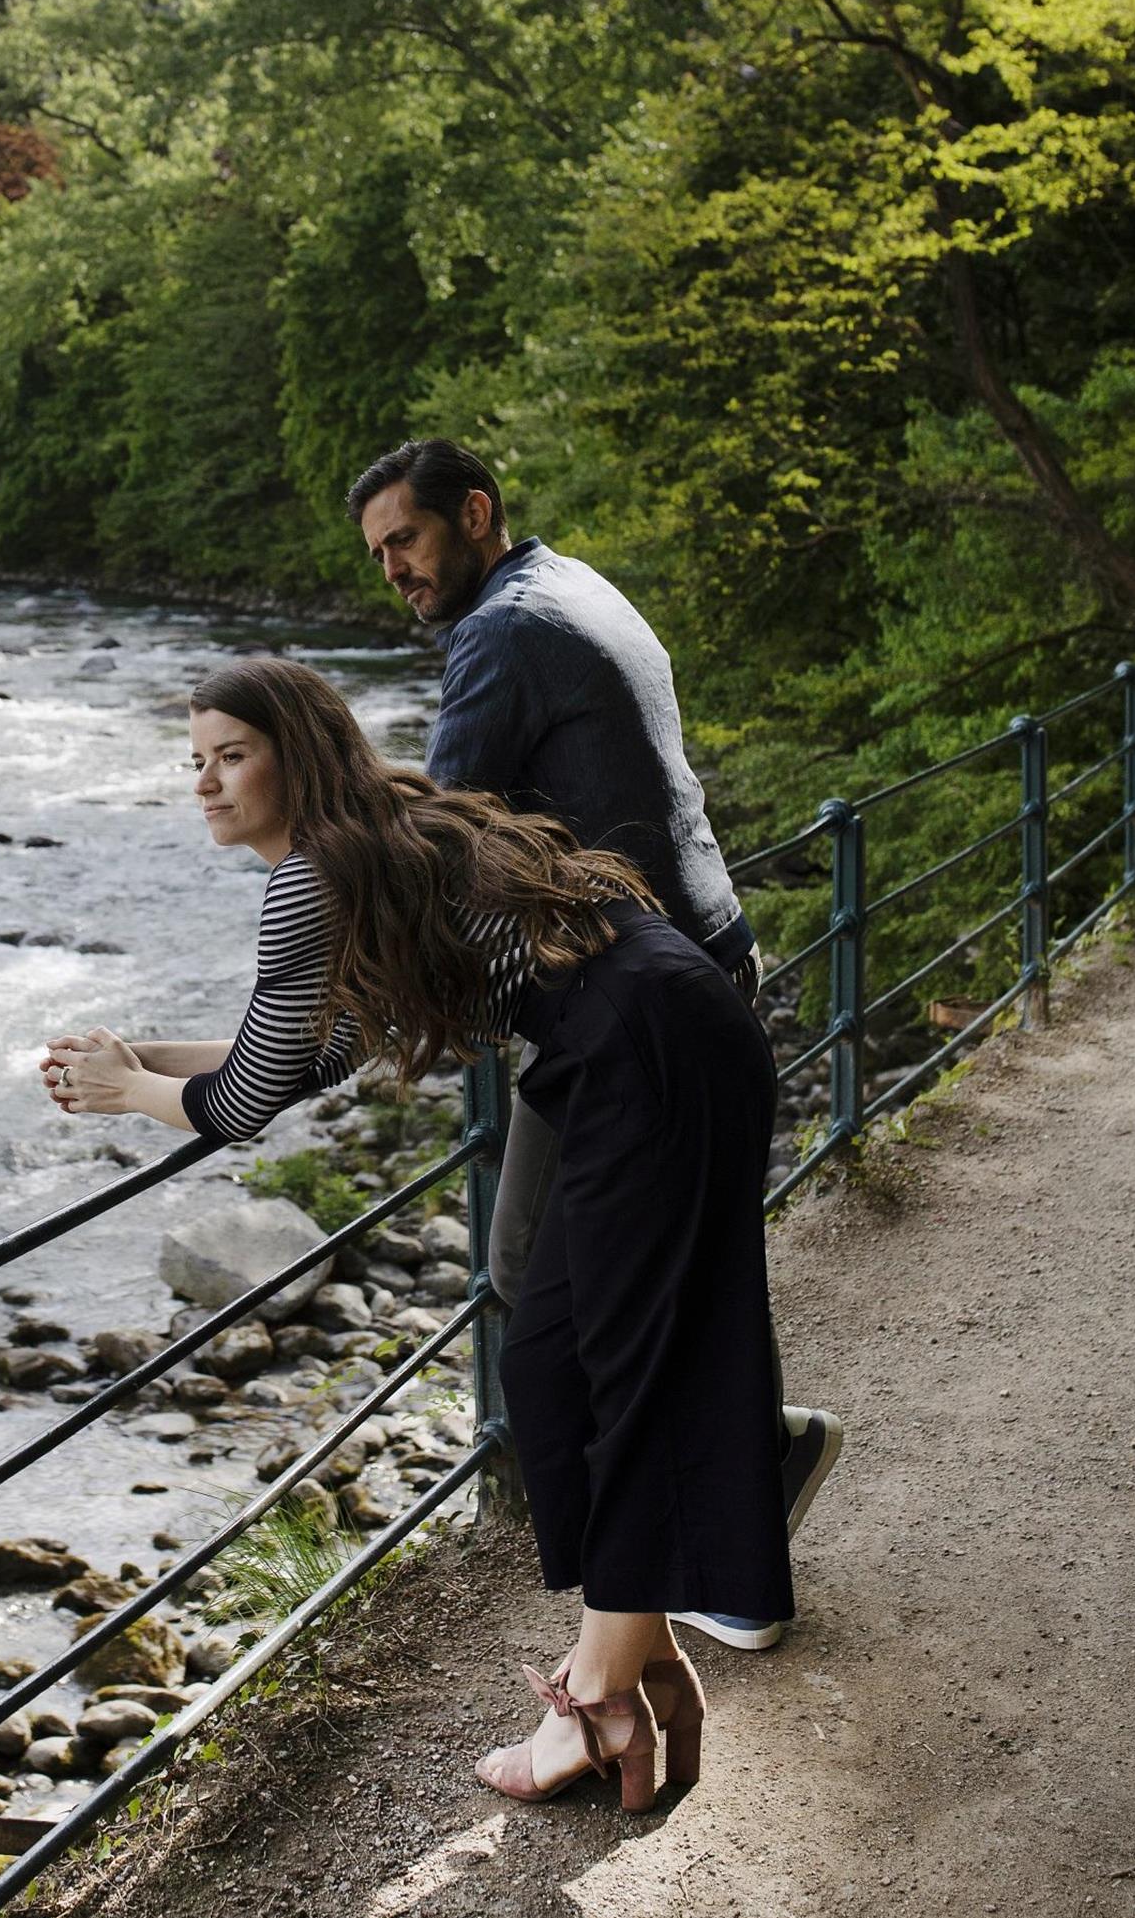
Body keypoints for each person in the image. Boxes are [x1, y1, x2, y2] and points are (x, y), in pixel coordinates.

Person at [43, 655, 792, 1809]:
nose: (205, 781)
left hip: (645, 1054)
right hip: (654, 1032)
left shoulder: (315, 874)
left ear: (296, 750)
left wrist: (120, 1093)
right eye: (195, 760)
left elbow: (243, 1104)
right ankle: (641, 1664)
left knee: (621, 1375)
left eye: (231, 756)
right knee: (555, 1367)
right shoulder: (371, 839)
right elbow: (309, 1054)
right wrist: (144, 1062)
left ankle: (598, 1703)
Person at [348, 436, 841, 1653]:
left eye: (405, 541)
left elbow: (440, 846)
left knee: (545, 1275)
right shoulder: (575, 582)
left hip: (629, 1000)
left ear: (474, 513)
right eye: (378, 556)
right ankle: (750, 1476)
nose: (396, 573)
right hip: (696, 956)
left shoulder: (500, 636)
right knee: (672, 1259)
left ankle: (701, 1557)